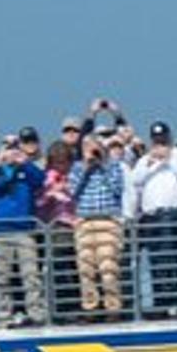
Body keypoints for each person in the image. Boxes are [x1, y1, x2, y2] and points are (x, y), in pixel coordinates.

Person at [0, 133, 47, 326]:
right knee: (1, 278)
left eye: (15, 146)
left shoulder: (25, 171)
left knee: (31, 276)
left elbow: (40, 180)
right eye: (7, 146)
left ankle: (36, 313)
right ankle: (4, 315)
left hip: (24, 231)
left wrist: (25, 163)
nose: (11, 150)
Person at [128, 120, 177, 317]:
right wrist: (149, 163)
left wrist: (168, 158)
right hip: (156, 216)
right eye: (156, 140)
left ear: (169, 137)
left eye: (163, 139)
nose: (159, 143)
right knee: (160, 260)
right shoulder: (145, 160)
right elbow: (135, 180)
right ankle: (163, 302)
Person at [68, 133, 127, 321]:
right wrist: (86, 167)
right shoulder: (77, 167)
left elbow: (117, 188)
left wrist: (102, 164)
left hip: (108, 220)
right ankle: (90, 308)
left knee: (109, 267)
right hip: (84, 222)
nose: (91, 149)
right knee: (86, 269)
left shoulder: (113, 166)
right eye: (87, 146)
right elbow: (72, 191)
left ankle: (113, 308)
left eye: (94, 145)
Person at [37, 141, 79, 321]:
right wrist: (50, 194)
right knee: (60, 267)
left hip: (78, 226)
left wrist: (69, 190)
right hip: (56, 228)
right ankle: (64, 307)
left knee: (78, 268)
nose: (61, 166)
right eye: (57, 162)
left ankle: (80, 306)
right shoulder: (47, 178)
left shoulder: (76, 175)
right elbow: (38, 205)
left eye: (65, 162)